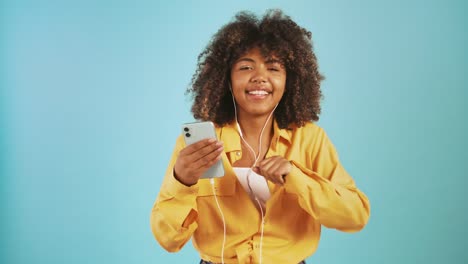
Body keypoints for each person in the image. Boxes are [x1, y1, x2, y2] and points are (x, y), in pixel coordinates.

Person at [150, 9, 370, 264]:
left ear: (291, 80)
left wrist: (296, 177)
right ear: (226, 78)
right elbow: (167, 239)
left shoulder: (310, 139)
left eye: (274, 68)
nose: (260, 77)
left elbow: (355, 216)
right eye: (245, 67)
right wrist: (182, 181)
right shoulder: (198, 145)